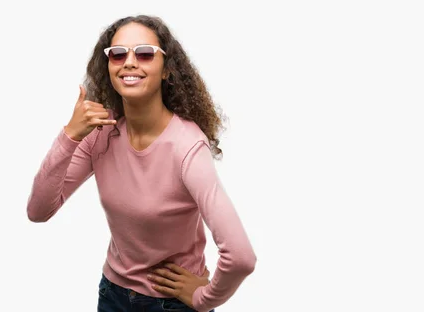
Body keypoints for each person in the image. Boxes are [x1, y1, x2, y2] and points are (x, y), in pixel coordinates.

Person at [26, 14, 256, 312]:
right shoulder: (101, 132)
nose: (130, 62)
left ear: (166, 70)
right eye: (118, 54)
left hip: (170, 303)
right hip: (112, 294)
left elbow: (240, 257)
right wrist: (70, 135)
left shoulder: (186, 146)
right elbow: (38, 211)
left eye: (145, 53)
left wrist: (204, 299)